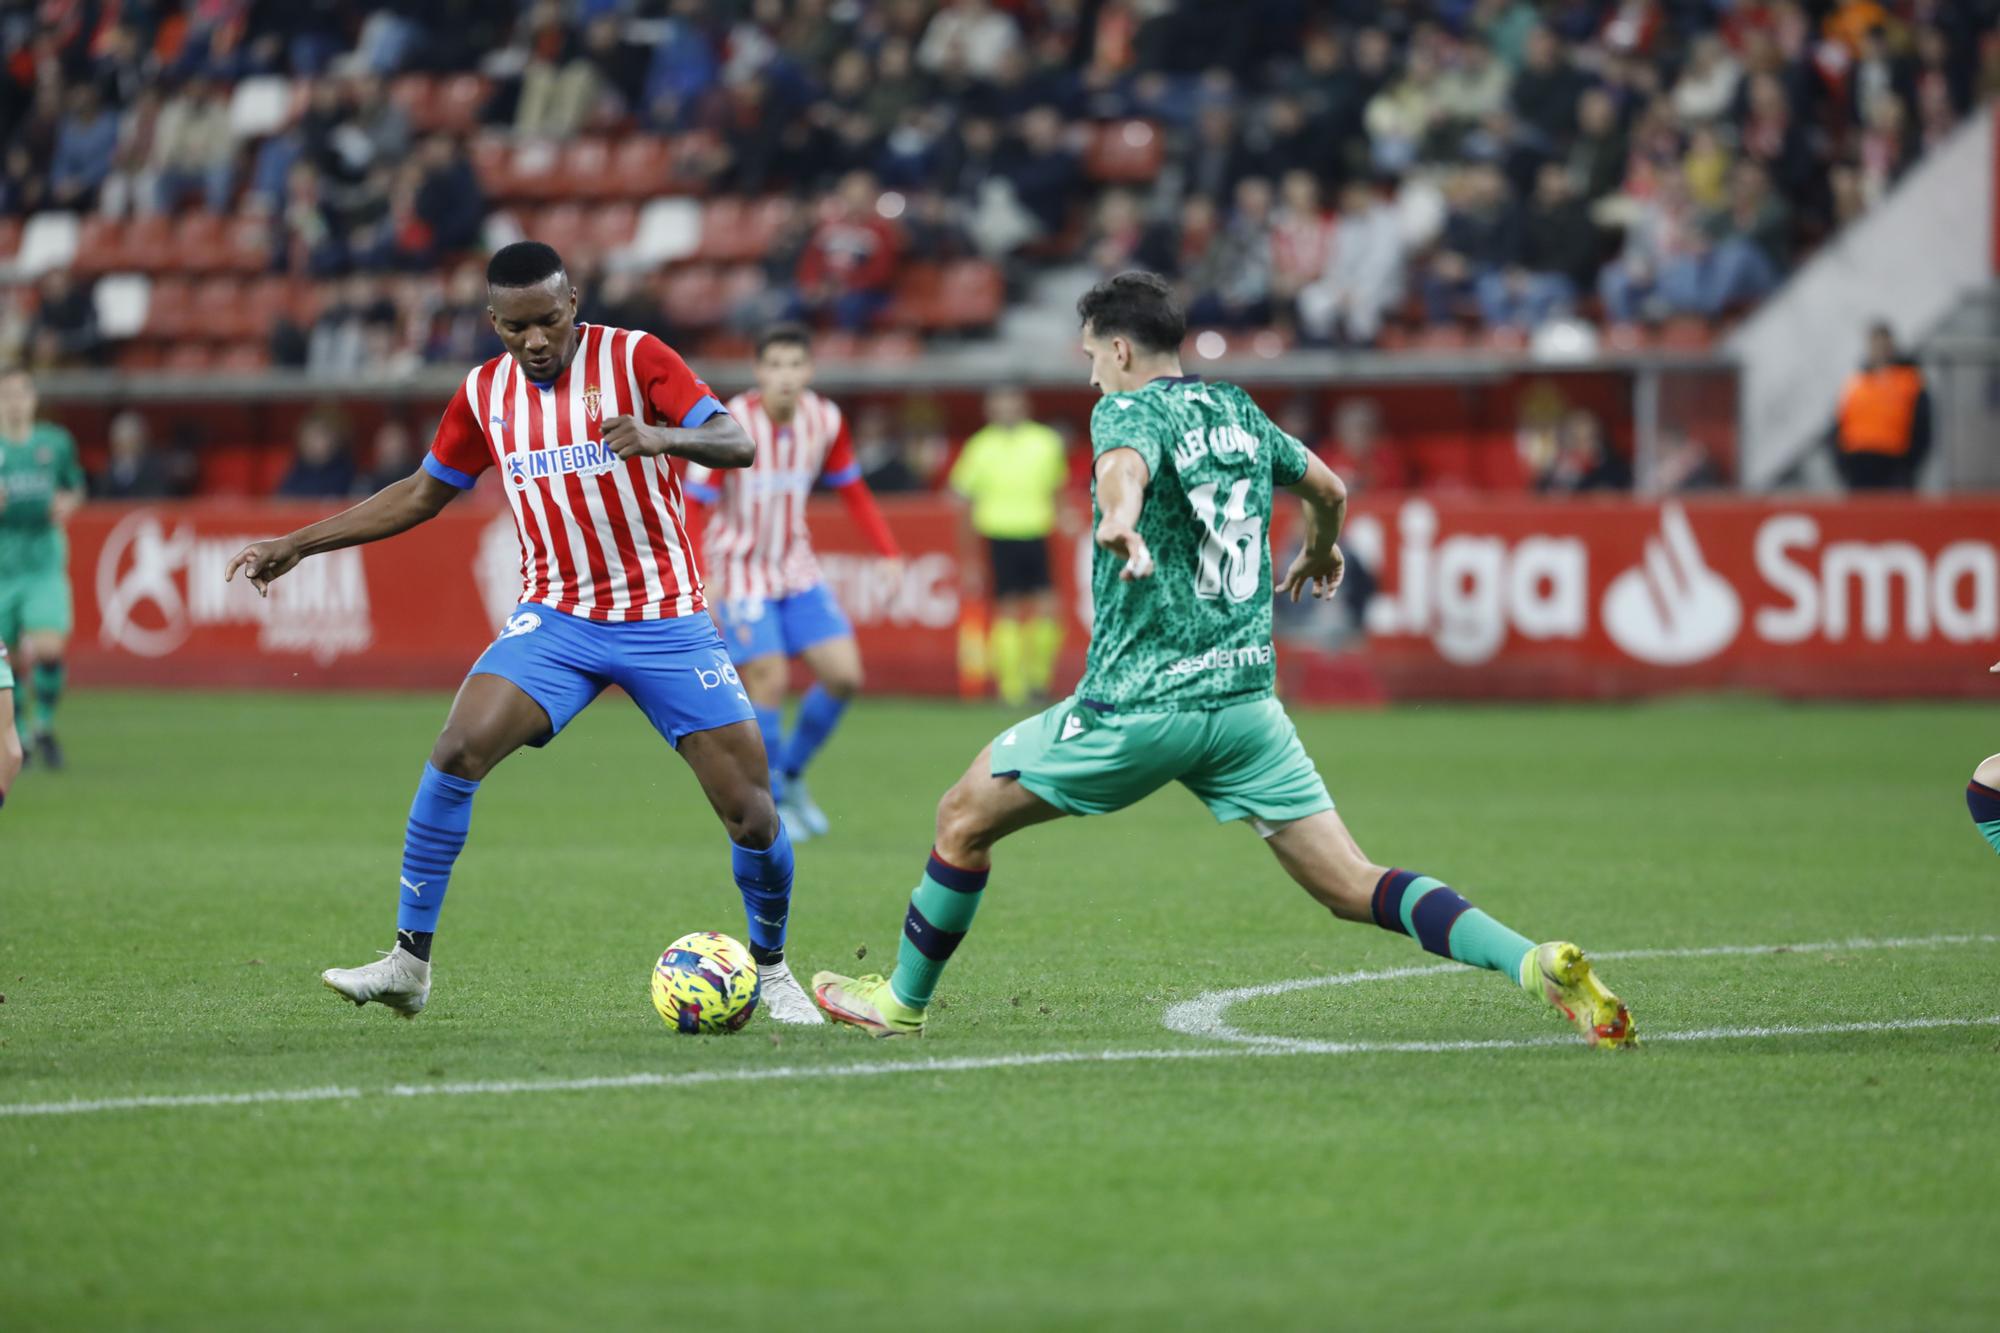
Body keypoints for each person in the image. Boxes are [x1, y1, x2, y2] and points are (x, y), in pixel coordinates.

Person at [809, 271, 1635, 1050]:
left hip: (1141, 706)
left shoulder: (1126, 413)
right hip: (1245, 706)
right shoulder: (1239, 409)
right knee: (1352, 881)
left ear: (1122, 351)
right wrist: (1319, 551)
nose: (1093, 376)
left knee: (961, 816)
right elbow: (1331, 489)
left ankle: (899, 1004)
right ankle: (1533, 961)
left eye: (1094, 356)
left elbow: (1123, 467)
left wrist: (1118, 519)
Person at [224, 241, 820, 1026]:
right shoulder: (484, 392)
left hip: (665, 618)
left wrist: (662, 437)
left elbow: (736, 440)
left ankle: (773, 970)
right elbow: (418, 494)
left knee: (752, 813)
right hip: (558, 618)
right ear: (493, 322)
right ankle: (408, 961)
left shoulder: (636, 357)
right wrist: (298, 542)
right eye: (514, 328)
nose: (534, 341)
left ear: (573, 303)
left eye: (546, 321)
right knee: (456, 749)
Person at [684, 325, 901, 843]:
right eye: (774, 365)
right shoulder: (730, 421)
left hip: (795, 568)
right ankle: (774, 803)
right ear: (759, 372)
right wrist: (700, 574)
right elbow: (695, 504)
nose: (785, 376)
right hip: (738, 571)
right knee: (770, 680)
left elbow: (852, 489)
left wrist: (889, 553)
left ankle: (792, 775)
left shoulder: (825, 420)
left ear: (809, 371)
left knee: (845, 675)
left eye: (794, 365)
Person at [949, 385, 1070, 707]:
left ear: (1024, 405)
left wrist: (1065, 517)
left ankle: (1039, 681)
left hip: (1036, 531)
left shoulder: (1045, 442)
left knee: (1047, 606)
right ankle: (1012, 688)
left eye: (1012, 402)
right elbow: (963, 503)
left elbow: (1057, 488)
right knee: (1008, 608)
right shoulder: (979, 447)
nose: (1006, 409)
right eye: (999, 404)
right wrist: (969, 558)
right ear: (989, 409)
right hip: (998, 533)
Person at [0, 369, 84, 771]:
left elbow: (75, 486)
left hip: (43, 561)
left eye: (21, 394)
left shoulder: (55, 443)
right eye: (6, 395)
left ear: (33, 399)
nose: (14, 402)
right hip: (3, 563)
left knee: (49, 649)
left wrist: (67, 504)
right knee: (8, 660)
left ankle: (44, 725)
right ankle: (18, 734)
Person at [1831, 321, 1929, 490]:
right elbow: (1838, 425)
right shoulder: (1855, 383)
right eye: (1875, 344)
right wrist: (1843, 465)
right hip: (1858, 469)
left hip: (1894, 468)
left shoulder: (1909, 381)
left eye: (1883, 343)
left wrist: (1908, 466)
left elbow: (1922, 427)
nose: (1880, 349)